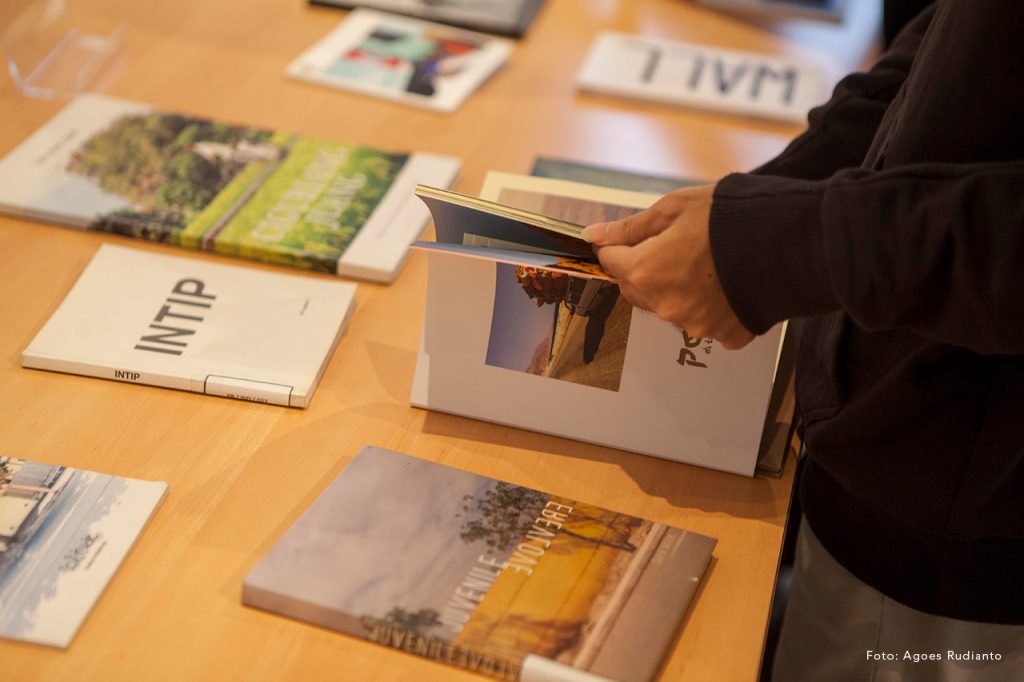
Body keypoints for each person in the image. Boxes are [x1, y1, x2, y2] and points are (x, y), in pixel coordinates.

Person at [580, 3, 1024, 680]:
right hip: (882, 431)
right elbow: (955, 50)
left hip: (958, 537)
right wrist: (762, 205)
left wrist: (779, 245)